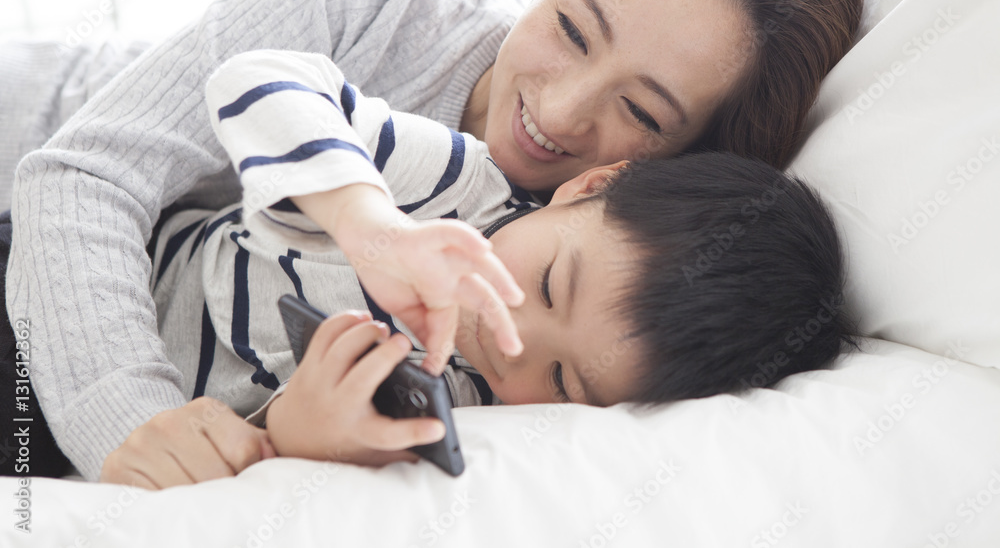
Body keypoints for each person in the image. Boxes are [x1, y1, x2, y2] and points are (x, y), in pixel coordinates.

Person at [2, 0, 863, 483]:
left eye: (643, 110)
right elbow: (84, 173)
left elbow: (277, 405)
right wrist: (132, 432)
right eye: (570, 26)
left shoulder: (560, 315)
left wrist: (283, 439)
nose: (559, 114)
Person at [104, 49, 855, 485]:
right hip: (96, 298)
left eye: (565, 380)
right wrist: (375, 226)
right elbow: (256, 78)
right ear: (593, 185)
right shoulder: (454, 188)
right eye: (550, 283)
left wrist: (298, 436)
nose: (513, 338)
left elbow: (231, 457)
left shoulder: (463, 407)